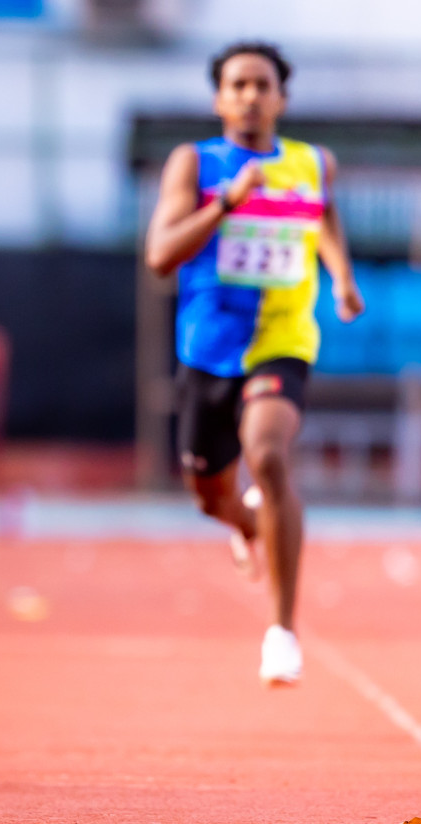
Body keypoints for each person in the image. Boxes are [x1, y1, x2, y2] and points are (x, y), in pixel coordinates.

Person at [145, 41, 364, 687]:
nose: (250, 95)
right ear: (219, 98)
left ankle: (282, 631)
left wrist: (343, 276)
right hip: (209, 349)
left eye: (262, 84)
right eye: (237, 84)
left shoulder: (312, 163)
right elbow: (160, 255)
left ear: (281, 98)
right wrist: (225, 205)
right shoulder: (197, 163)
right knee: (208, 492)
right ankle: (244, 522)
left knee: (267, 454)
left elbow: (323, 217)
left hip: (282, 338)